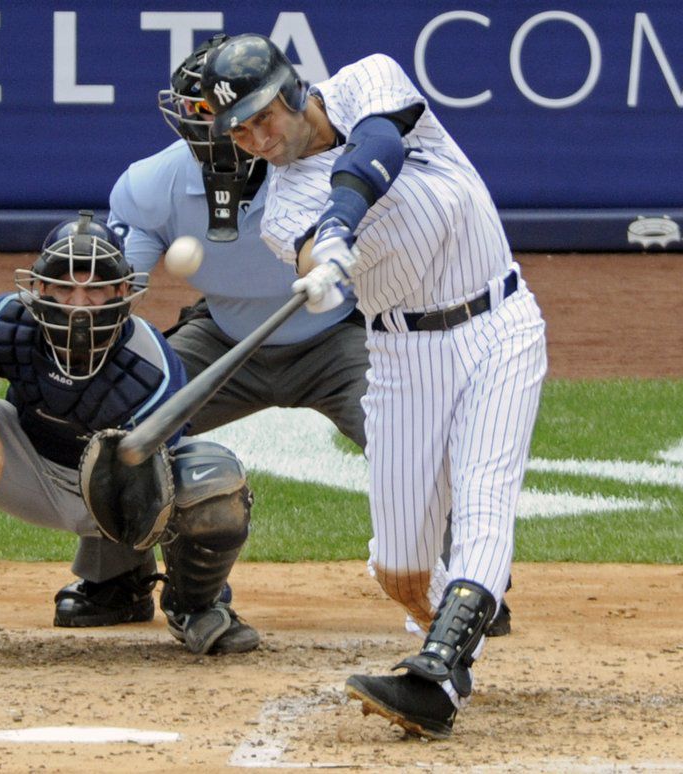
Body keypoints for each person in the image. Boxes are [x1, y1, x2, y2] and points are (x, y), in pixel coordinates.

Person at [201, 35, 547, 737]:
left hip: (499, 323)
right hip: (401, 357)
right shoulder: (279, 209)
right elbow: (303, 254)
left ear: (293, 91)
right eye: (239, 131)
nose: (258, 139)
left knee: (483, 495)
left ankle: (441, 671)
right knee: (400, 566)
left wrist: (339, 225)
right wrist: (318, 265)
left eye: (264, 116)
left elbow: (376, 150)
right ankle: (463, 611)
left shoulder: (368, 81)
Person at [52, 33, 370, 633]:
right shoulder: (156, 184)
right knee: (127, 425)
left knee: (412, 427)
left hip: (338, 336)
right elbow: (126, 275)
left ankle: (463, 581)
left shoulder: (332, 164)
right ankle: (117, 579)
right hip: (224, 337)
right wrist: (101, 292)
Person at [0, 210, 259, 655]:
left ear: (121, 292)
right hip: (26, 468)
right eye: (64, 287)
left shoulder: (152, 369)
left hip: (123, 499)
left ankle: (191, 604)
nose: (78, 304)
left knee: (212, 477)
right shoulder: (6, 321)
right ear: (39, 289)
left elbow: (149, 493)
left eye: (94, 290)